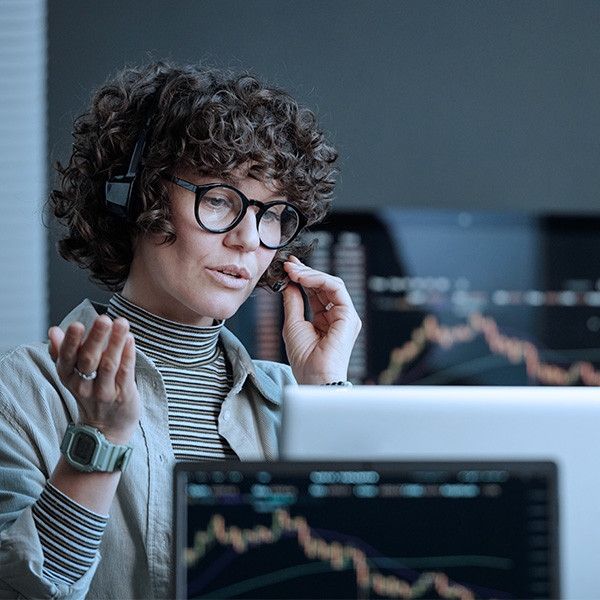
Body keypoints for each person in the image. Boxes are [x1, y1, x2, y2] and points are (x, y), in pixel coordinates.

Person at [0, 61, 361, 599]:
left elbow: (358, 572)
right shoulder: (20, 393)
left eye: (272, 214)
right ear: (136, 197)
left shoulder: (295, 395)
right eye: (219, 199)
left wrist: (326, 394)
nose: (248, 239)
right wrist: (98, 440)